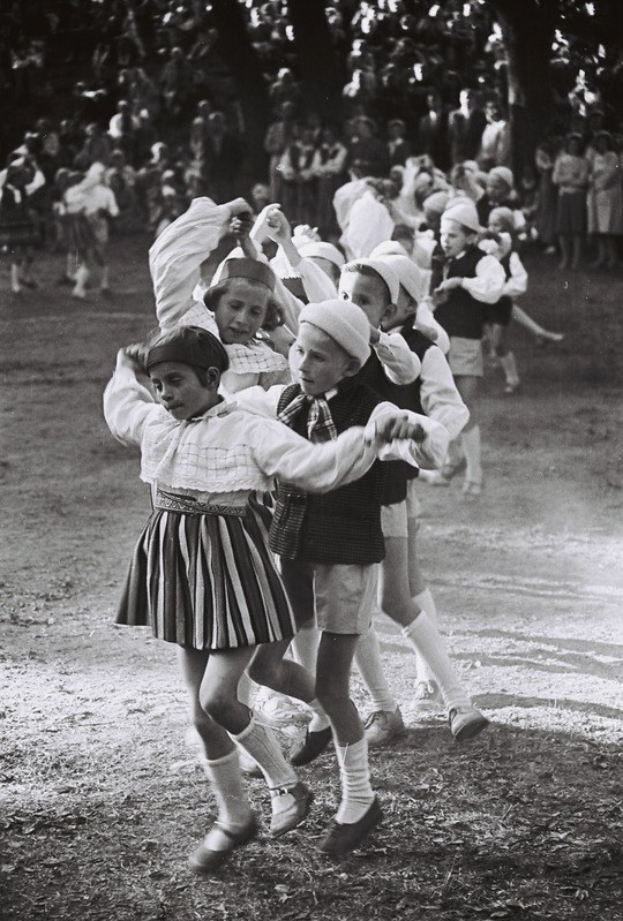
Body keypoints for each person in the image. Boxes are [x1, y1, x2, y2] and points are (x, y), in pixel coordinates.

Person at [103, 324, 414, 873]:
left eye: (176, 381)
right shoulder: (157, 422)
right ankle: (234, 817)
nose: (166, 394)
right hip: (180, 571)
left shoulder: (247, 429)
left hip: (233, 575)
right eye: (158, 384)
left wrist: (368, 437)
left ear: (213, 377)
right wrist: (124, 373)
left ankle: (285, 784)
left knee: (220, 700)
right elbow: (123, 411)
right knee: (200, 714)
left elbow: (315, 465)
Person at [235, 298, 449, 856]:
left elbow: (430, 448)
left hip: (348, 556)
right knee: (264, 664)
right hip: (292, 550)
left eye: (320, 358)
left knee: (332, 680)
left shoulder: (373, 410)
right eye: (299, 350)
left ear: (351, 366)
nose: (303, 364)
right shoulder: (281, 398)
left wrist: (414, 430)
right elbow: (227, 410)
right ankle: (332, 714)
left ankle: (359, 799)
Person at [427, 200, 505, 496]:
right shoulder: (439, 259)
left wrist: (463, 282)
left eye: (452, 235)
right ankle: (452, 458)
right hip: (441, 341)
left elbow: (494, 289)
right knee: (444, 404)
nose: (444, 241)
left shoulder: (481, 261)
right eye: (442, 234)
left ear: (471, 237)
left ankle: (475, 471)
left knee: (466, 407)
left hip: (467, 341)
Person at [552, 133, 590, 271]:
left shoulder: (583, 161)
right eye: (571, 144)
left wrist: (567, 179)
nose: (573, 147)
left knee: (577, 229)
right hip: (564, 195)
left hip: (578, 196)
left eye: (576, 144)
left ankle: (576, 259)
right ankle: (565, 258)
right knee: (563, 229)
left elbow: (583, 181)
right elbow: (555, 179)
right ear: (567, 145)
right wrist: (571, 177)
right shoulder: (561, 159)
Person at [586, 131, 622, 269]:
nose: (602, 144)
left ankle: (612, 257)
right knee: (599, 228)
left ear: (608, 143)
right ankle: (602, 257)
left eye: (604, 141)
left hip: (608, 194)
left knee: (608, 227)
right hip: (595, 195)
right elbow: (589, 174)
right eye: (599, 141)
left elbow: (611, 174)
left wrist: (597, 184)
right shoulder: (594, 157)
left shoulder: (612, 156)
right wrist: (591, 180)